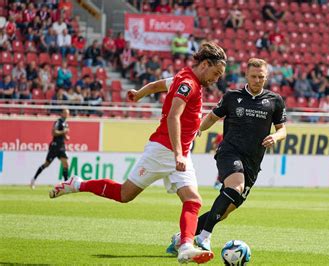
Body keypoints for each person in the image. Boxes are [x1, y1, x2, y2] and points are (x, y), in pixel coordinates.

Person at [48, 43, 228, 263]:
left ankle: (186, 247)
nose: (216, 79)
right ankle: (78, 184)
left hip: (177, 152)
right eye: (216, 73)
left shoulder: (184, 77)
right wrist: (179, 154)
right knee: (125, 195)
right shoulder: (189, 84)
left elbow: (155, 86)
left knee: (192, 200)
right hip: (164, 150)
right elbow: (173, 117)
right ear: (206, 64)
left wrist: (139, 93)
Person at [166, 58, 287, 254]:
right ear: (246, 75)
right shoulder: (232, 96)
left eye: (261, 77)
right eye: (254, 76)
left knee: (224, 211)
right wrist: (198, 130)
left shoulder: (275, 101)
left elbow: (283, 130)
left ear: (267, 77)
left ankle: (182, 237)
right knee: (235, 187)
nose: (257, 80)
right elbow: (213, 117)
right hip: (229, 152)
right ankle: (204, 237)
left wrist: (275, 136)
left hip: (253, 162)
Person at [31, 109, 70, 189]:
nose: (66, 115)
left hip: (61, 146)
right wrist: (63, 132)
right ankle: (33, 179)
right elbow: (53, 132)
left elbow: (63, 134)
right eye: (65, 113)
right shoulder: (58, 122)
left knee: (66, 164)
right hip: (55, 146)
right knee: (46, 164)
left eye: (68, 113)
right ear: (62, 113)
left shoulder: (65, 123)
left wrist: (66, 137)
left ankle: (66, 184)